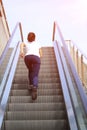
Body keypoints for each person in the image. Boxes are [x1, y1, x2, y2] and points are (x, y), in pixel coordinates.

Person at [20, 32, 42, 100]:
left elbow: (21, 44)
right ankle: (34, 86)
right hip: (36, 58)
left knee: (30, 70)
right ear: (34, 38)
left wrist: (22, 52)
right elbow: (41, 54)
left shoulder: (25, 42)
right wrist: (38, 59)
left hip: (27, 57)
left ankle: (30, 85)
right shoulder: (37, 44)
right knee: (35, 73)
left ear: (27, 37)